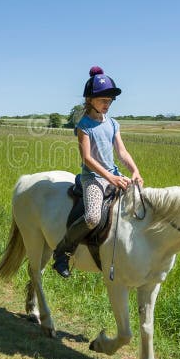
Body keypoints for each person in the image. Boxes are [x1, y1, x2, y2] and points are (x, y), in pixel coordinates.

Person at [52, 66, 144, 278]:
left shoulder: (113, 124)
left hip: (113, 174)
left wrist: (135, 170)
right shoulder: (84, 125)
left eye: (109, 101)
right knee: (93, 217)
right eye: (103, 100)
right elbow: (87, 158)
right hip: (93, 178)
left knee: (140, 202)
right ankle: (62, 252)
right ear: (90, 100)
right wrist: (110, 177)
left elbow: (122, 152)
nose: (107, 104)